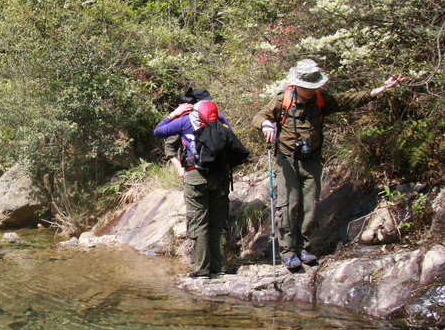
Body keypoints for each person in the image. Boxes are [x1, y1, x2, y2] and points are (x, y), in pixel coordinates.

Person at [252, 59, 406, 270]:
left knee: (310, 206)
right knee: (288, 206)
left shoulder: (321, 99)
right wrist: (266, 124)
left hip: (312, 160)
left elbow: (348, 100)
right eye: (307, 87)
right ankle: (287, 252)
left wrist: (377, 91)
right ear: (297, 84)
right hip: (287, 161)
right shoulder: (283, 100)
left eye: (314, 86)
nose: (311, 90)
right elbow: (260, 115)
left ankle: (303, 248)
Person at [154, 88, 240, 279]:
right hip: (219, 177)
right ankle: (220, 267)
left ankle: (202, 270)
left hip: (195, 177)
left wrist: (173, 115)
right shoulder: (218, 117)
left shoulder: (184, 120)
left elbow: (158, 131)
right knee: (218, 223)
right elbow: (231, 139)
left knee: (198, 223)